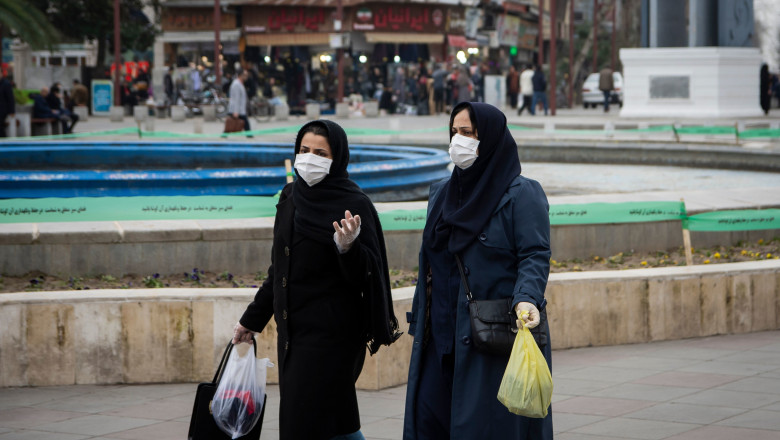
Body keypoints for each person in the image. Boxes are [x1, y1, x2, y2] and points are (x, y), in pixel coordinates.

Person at [231, 120, 401, 440]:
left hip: (332, 338)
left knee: (306, 424)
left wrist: (347, 248)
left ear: (337, 158)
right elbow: (279, 269)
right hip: (292, 336)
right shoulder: (291, 198)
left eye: (321, 153)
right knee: (335, 423)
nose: (309, 159)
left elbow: (366, 278)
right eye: (304, 151)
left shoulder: (354, 204)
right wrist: (252, 320)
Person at [403, 102, 552, 440]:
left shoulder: (521, 194)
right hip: (438, 338)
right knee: (430, 424)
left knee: (484, 429)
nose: (459, 140)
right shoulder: (441, 193)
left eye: (468, 133)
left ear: (491, 138)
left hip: (489, 338)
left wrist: (527, 297)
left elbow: (535, 253)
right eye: (454, 132)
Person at [228, 70, 251, 135]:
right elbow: (236, 98)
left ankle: (250, 136)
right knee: (245, 124)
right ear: (241, 75)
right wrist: (236, 111)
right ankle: (250, 136)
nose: (246, 77)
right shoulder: (236, 84)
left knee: (231, 123)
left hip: (240, 109)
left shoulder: (240, 84)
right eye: (245, 75)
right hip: (238, 109)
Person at [0, 69, 15, 138]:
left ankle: (3, 141)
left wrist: (12, 111)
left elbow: (10, 98)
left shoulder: (6, 84)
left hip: (3, 110)